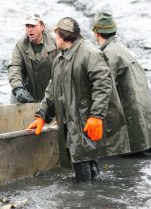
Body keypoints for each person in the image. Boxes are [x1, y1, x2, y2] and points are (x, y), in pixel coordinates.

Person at [27, 17, 130, 182]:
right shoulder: (60, 58)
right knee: (84, 163)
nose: (54, 39)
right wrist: (42, 115)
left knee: (84, 166)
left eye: (56, 35)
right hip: (71, 120)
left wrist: (96, 116)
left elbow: (103, 86)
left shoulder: (91, 53)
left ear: (63, 37)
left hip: (86, 119)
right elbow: (52, 89)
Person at [92, 12, 151, 155]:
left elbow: (103, 88)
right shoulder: (119, 47)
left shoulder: (109, 54)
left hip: (132, 117)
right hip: (144, 118)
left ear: (96, 33)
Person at [7, 13, 58, 103]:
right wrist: (18, 87)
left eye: (33, 26)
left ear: (42, 27)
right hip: (29, 94)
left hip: (53, 93)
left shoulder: (55, 42)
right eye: (27, 26)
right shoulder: (21, 45)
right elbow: (15, 66)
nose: (30, 30)